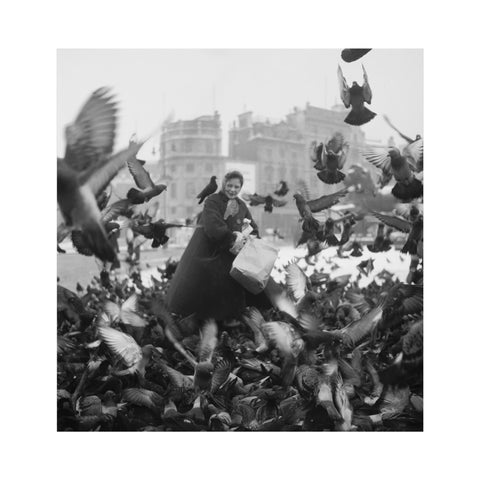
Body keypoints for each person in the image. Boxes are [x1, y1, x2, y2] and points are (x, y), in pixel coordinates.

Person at [166, 171, 271, 325]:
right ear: (223, 184)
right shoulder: (212, 201)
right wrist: (232, 238)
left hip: (233, 254)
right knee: (208, 288)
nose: (232, 190)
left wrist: (251, 237)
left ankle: (231, 317)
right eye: (229, 186)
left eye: (236, 187)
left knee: (237, 284)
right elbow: (212, 225)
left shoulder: (242, 205)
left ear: (241, 187)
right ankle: (207, 320)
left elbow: (253, 227)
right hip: (211, 251)